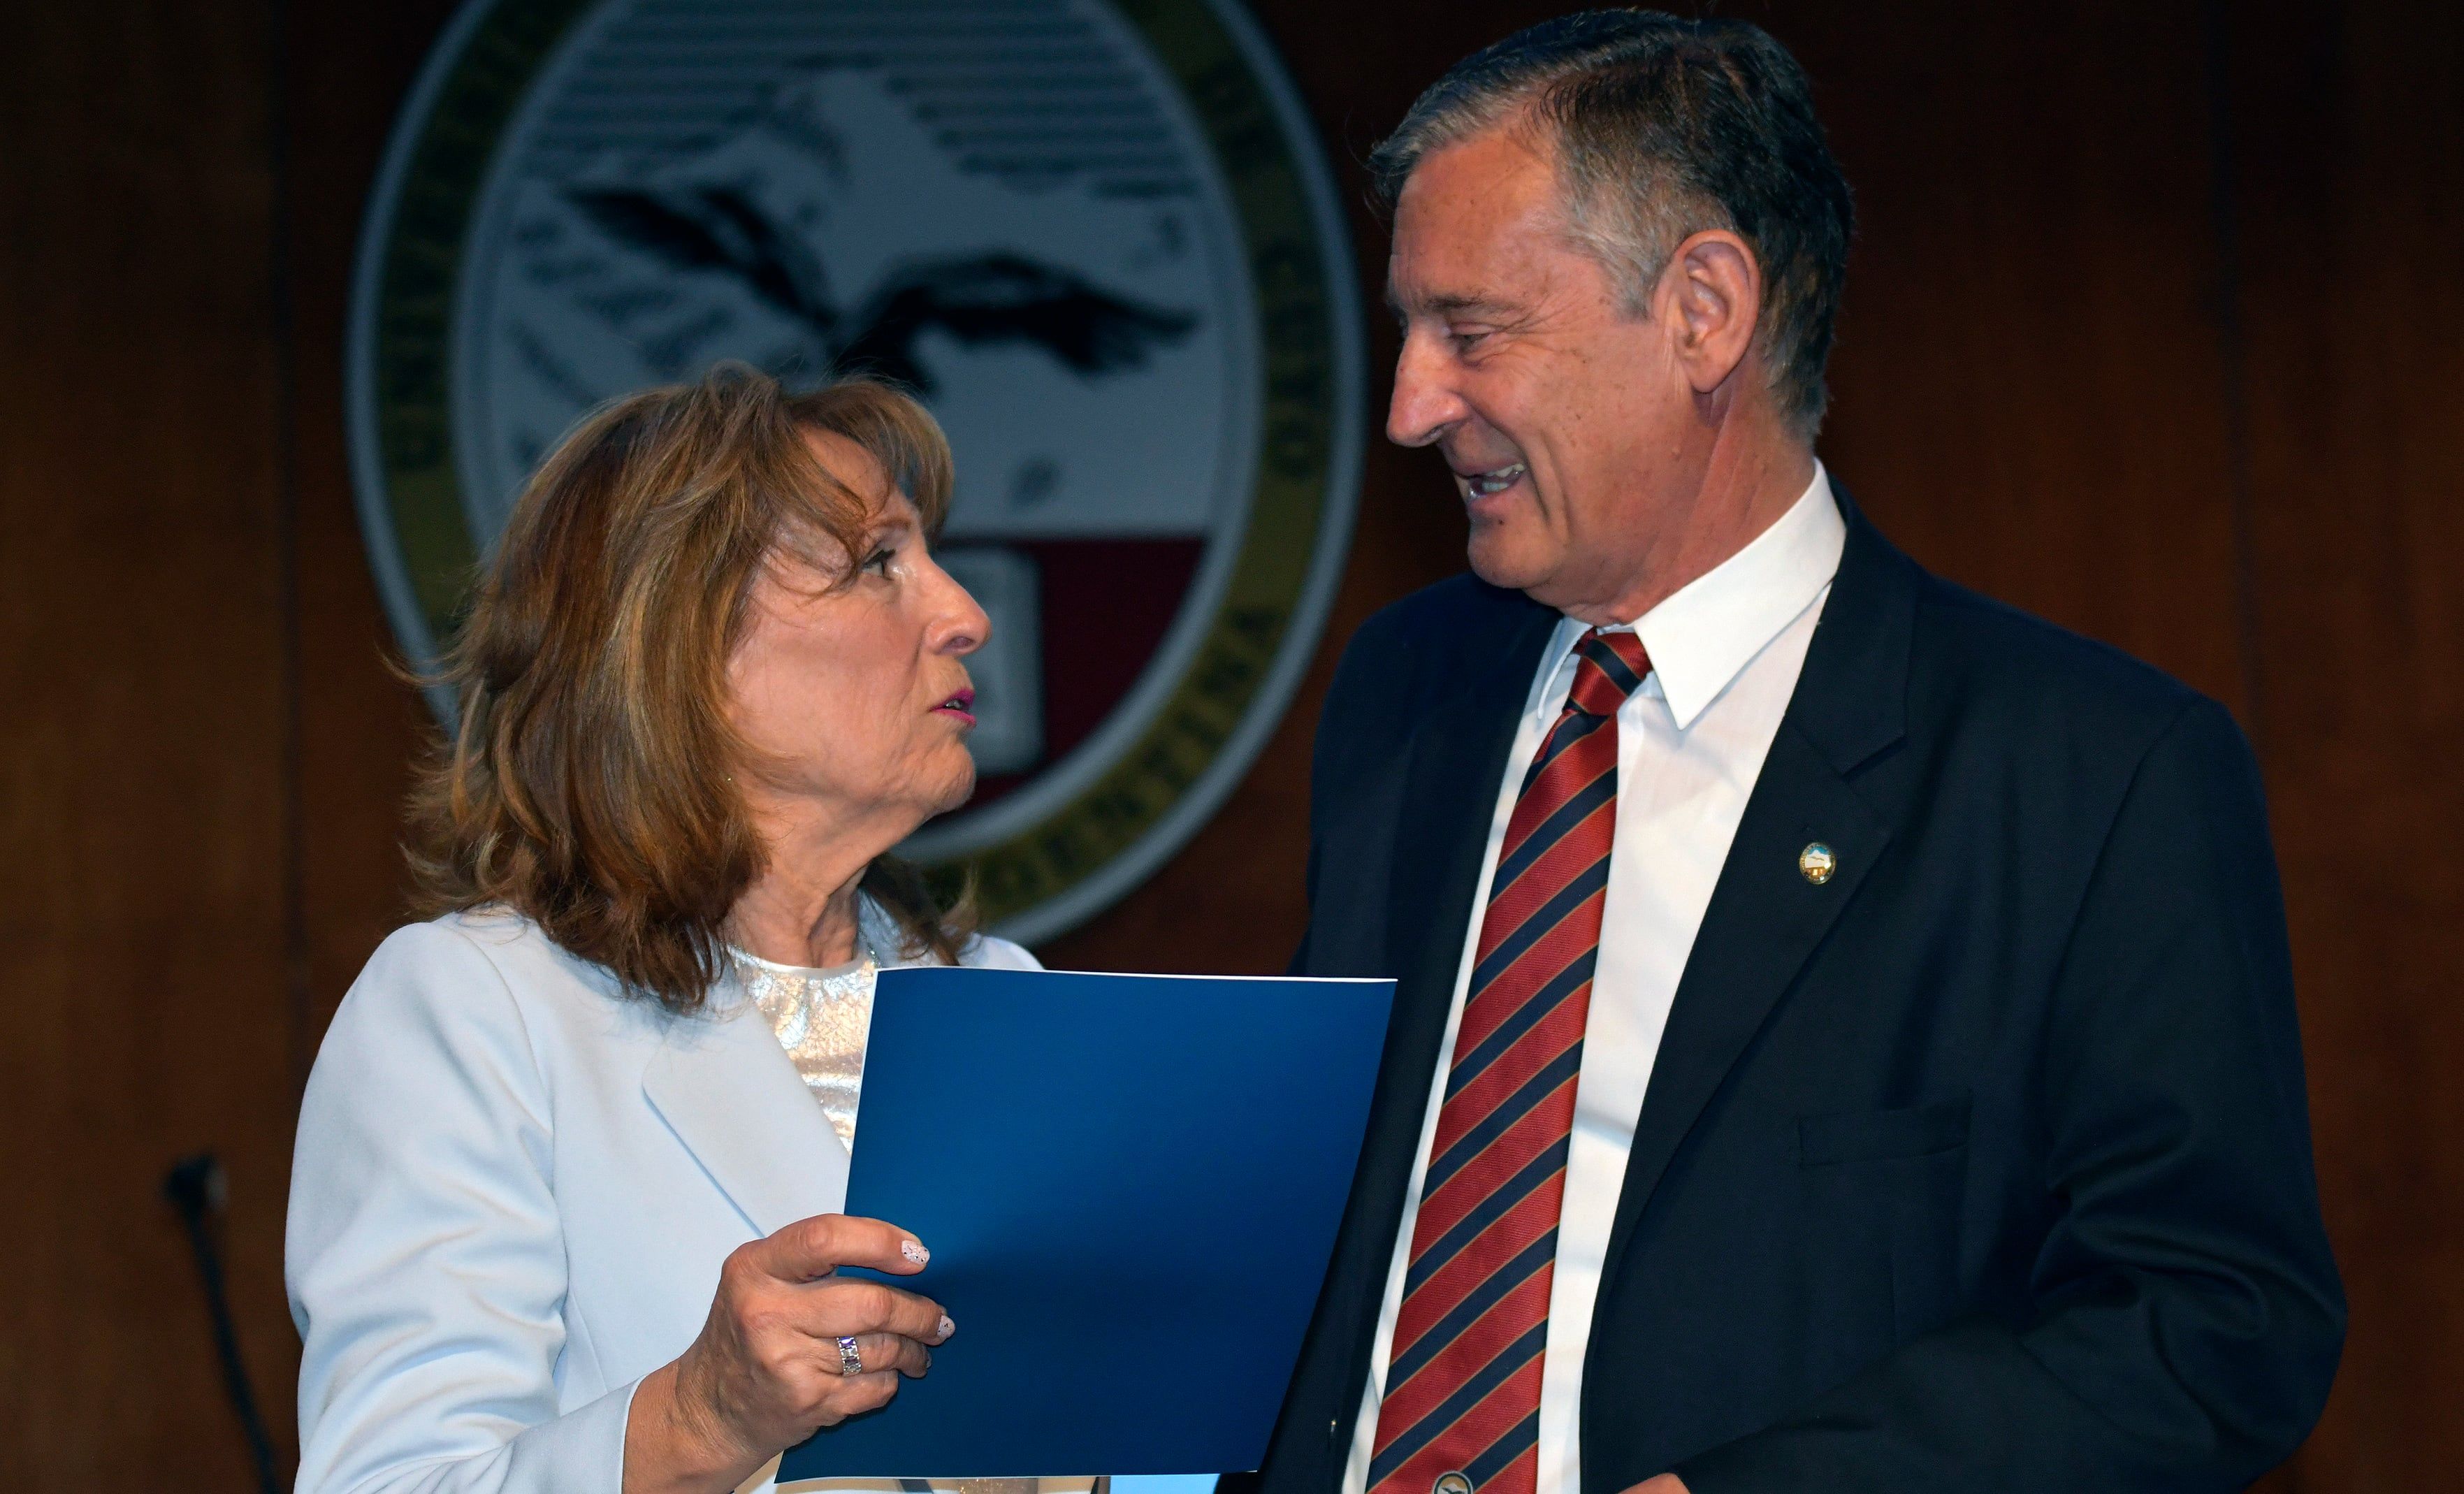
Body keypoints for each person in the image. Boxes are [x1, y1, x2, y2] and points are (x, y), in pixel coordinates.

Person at [1254, 13, 2343, 1494]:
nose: (1408, 405)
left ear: (1703, 310)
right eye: (1406, 331)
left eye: (1471, 329)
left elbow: (2210, 1325)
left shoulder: (2090, 776)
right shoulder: (1405, 689)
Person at [288, 367, 1058, 1494]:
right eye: (880, 562)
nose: (966, 613)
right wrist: (699, 1417)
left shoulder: (1010, 995)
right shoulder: (473, 1008)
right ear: (688, 647)